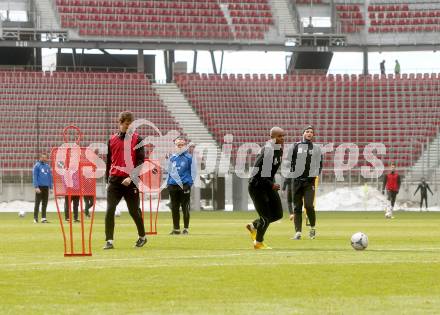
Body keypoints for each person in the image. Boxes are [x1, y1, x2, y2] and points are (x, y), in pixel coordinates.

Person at [103, 111, 147, 249]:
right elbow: (109, 162)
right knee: (110, 209)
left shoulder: (138, 139)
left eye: (131, 124)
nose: (129, 127)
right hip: (114, 181)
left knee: (134, 211)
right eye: (127, 124)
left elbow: (140, 162)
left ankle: (142, 236)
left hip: (131, 181)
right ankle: (109, 241)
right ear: (120, 123)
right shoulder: (111, 140)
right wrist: (106, 181)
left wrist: (131, 177)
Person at [246, 127, 284, 249]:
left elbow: (270, 172)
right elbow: (257, 174)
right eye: (279, 136)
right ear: (272, 137)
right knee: (265, 217)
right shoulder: (267, 151)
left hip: (268, 185)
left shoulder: (279, 150)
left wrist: (271, 183)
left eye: (283, 136)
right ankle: (258, 243)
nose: (282, 139)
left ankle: (253, 225)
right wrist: (271, 184)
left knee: (278, 214)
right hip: (256, 186)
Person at [289, 125, 322, 240]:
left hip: (309, 182)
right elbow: (290, 162)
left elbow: (320, 164)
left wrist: (314, 174)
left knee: (309, 205)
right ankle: (298, 232)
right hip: (297, 181)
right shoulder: (295, 146)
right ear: (303, 133)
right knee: (297, 207)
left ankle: (312, 228)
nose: (309, 133)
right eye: (307, 131)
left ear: (313, 135)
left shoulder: (316, 148)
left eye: (311, 132)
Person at [167, 137, 196, 235]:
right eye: (178, 145)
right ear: (175, 146)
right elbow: (169, 172)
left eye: (181, 145)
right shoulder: (172, 158)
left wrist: (189, 184)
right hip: (173, 185)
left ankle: (186, 228)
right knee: (174, 208)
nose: (180, 146)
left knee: (185, 207)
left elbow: (194, 172)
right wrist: (168, 183)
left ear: (185, 146)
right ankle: (176, 229)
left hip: (184, 185)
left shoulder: (189, 158)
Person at [32, 153, 53, 223]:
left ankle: (43, 218)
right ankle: (35, 218)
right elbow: (35, 177)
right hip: (39, 187)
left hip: (46, 187)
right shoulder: (37, 166)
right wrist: (36, 187)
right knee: (37, 203)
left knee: (45, 203)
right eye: (42, 157)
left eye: (45, 158)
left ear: (47, 159)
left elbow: (50, 177)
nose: (44, 159)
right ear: (40, 158)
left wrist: (50, 187)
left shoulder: (47, 166)